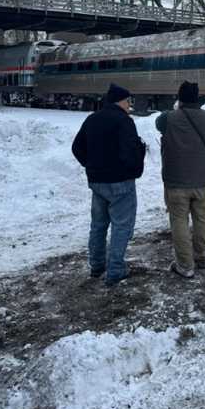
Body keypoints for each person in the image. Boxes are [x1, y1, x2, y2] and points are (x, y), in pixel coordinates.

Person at [71, 83, 147, 286]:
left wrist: (91, 166)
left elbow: (77, 147)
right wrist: (134, 167)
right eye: (128, 101)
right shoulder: (124, 121)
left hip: (97, 182)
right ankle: (115, 271)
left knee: (98, 225)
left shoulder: (92, 119)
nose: (130, 105)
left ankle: (96, 266)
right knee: (122, 227)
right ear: (120, 101)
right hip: (120, 183)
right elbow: (130, 153)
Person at [155, 81, 205, 279]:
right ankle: (202, 257)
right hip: (203, 181)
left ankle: (185, 265)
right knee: (202, 219)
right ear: (198, 98)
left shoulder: (168, 118)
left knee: (179, 222)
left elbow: (159, 123)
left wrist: (177, 108)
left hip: (176, 183)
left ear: (180, 98)